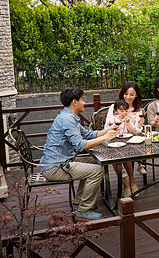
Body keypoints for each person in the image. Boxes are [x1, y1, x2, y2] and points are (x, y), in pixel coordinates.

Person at [40, 88, 118, 221]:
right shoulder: (67, 120)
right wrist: (105, 138)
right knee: (97, 171)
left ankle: (77, 203)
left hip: (63, 161)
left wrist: (107, 130)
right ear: (74, 102)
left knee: (96, 162)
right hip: (55, 167)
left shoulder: (70, 117)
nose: (84, 103)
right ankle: (84, 210)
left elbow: (88, 134)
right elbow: (81, 145)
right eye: (82, 100)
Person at [105, 81, 145, 197]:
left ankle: (132, 182)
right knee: (114, 154)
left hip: (130, 140)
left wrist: (137, 123)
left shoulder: (137, 110)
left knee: (127, 152)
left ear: (136, 95)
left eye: (131, 94)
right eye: (126, 94)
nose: (128, 97)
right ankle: (126, 185)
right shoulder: (114, 107)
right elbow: (108, 126)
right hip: (114, 139)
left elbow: (136, 131)